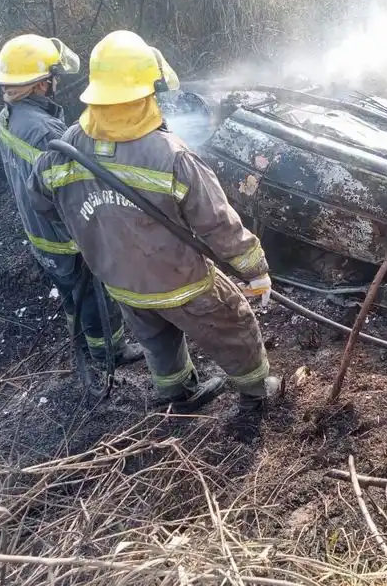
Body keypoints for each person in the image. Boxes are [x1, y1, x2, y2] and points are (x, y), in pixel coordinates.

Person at [26, 30, 282, 413]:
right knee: (234, 323)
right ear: (147, 92)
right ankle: (257, 392)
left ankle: (176, 394)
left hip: (121, 283)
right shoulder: (172, 157)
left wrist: (93, 230)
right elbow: (218, 224)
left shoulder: (64, 150)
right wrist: (255, 270)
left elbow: (40, 201)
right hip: (181, 283)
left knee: (157, 338)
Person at [0, 34, 144, 367]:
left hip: (38, 230)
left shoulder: (7, 116)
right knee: (93, 294)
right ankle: (109, 352)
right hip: (64, 236)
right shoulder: (44, 130)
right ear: (41, 84)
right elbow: (73, 185)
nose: (56, 82)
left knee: (70, 292)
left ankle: (82, 344)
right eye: (53, 76)